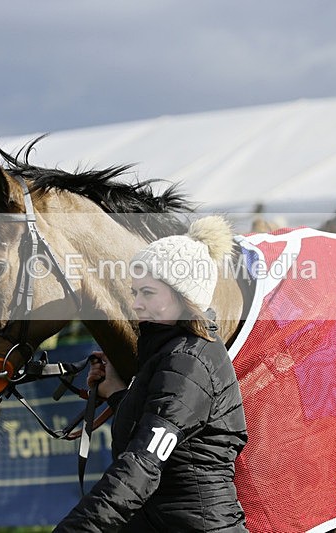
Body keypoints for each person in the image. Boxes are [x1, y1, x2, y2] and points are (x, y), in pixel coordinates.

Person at [54, 216, 248, 532]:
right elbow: (165, 431)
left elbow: (143, 464)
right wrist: (118, 394)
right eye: (134, 293)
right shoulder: (170, 353)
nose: (136, 305)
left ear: (183, 296)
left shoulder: (188, 362)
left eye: (147, 293)